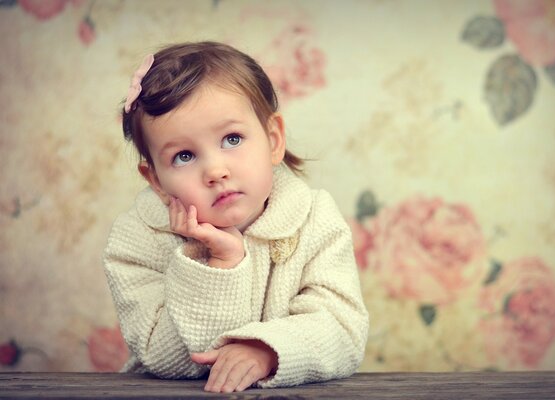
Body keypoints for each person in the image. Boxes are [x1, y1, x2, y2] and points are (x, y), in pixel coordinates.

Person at [103, 41, 369, 393]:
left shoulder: (315, 219)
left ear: (273, 141)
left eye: (232, 138)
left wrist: (265, 351)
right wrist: (218, 263)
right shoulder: (137, 239)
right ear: (156, 181)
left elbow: (342, 330)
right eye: (184, 156)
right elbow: (161, 355)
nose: (215, 170)